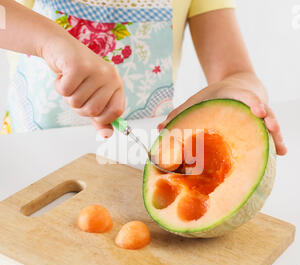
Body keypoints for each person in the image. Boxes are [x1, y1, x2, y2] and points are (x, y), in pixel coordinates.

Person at [0, 0, 286, 155]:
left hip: (134, 163)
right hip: (30, 156)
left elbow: (237, 73)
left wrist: (236, 91)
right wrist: (48, 41)